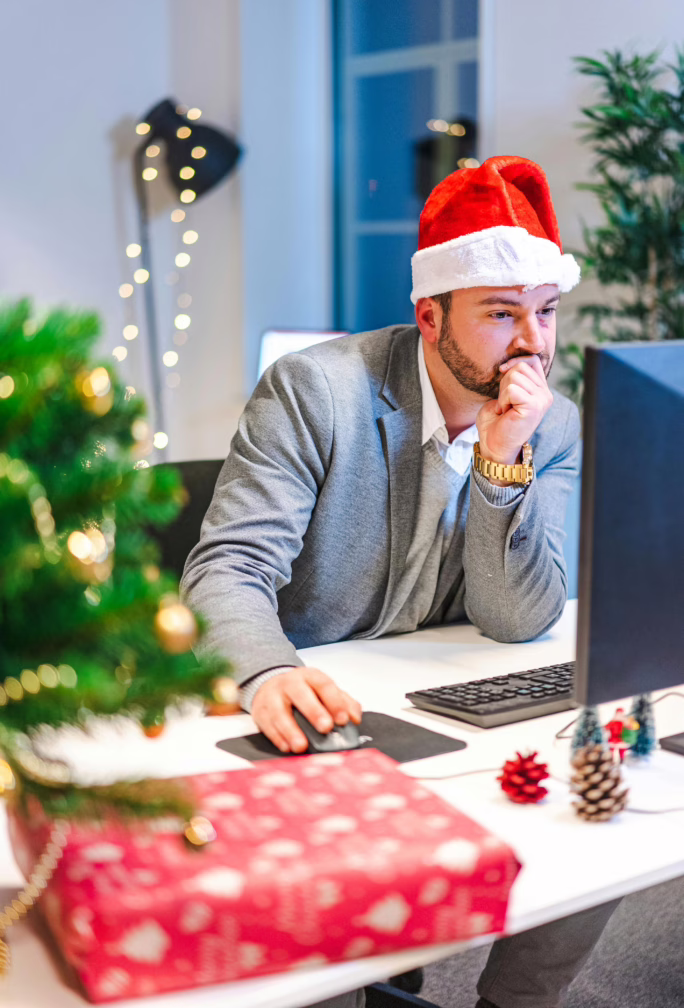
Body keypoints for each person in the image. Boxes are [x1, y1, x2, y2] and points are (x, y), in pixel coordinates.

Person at [182, 156, 619, 1008]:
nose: (533, 343)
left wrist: (500, 465)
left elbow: (518, 615)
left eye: (546, 312)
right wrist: (270, 672)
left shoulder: (550, 422)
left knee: (593, 798)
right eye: (502, 314)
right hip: (322, 702)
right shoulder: (316, 391)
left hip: (444, 694)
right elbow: (228, 567)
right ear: (429, 315)